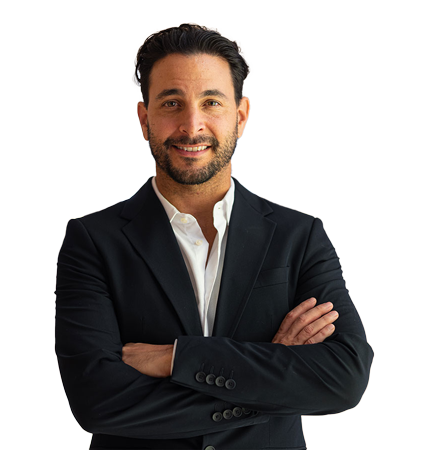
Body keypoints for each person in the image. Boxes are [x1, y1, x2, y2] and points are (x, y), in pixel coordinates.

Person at [55, 23, 374, 450]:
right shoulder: (93, 241)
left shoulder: (298, 236)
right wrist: (274, 379)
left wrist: (177, 358)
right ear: (145, 119)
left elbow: (344, 377)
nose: (192, 125)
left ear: (239, 116)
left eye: (211, 102)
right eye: (172, 103)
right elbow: (98, 401)